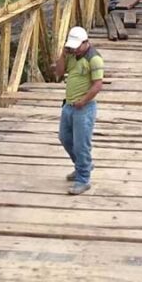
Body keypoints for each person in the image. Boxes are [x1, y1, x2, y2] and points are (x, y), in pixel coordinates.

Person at [53, 26, 104, 195]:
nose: (74, 49)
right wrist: (63, 54)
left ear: (85, 43)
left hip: (84, 107)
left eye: (76, 46)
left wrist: (83, 101)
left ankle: (83, 178)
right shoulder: (71, 56)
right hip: (68, 105)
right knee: (65, 137)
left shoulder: (94, 59)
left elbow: (98, 85)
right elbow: (59, 73)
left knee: (82, 143)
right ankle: (83, 165)